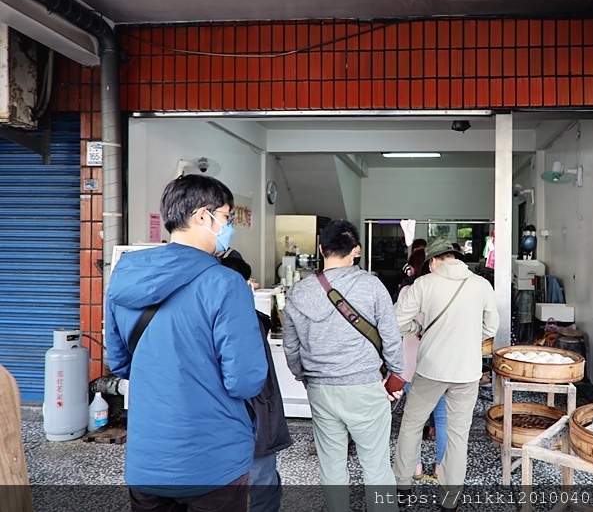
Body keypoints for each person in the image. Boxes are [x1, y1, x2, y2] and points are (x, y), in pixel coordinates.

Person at [106, 174, 267, 512]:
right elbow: (246, 379)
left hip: (147, 458)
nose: (229, 227)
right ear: (202, 216)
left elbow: (121, 363)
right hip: (212, 459)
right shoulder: (225, 284)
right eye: (226, 217)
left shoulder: (123, 277)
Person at [281, 219, 403, 512]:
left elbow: (291, 346)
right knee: (375, 465)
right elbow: (391, 337)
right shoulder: (371, 286)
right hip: (364, 386)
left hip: (321, 389)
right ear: (356, 251)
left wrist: (303, 376)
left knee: (331, 465)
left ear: (321, 249)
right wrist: (395, 375)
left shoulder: (298, 292)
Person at [393, 238, 499, 512]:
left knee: (412, 424)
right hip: (467, 371)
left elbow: (398, 322)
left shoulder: (424, 284)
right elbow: (490, 328)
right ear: (456, 257)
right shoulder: (481, 285)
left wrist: (420, 325)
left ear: (433, 261)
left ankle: (403, 486)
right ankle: (450, 499)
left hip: (431, 370)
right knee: (458, 433)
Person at [220, 254, 292, 512]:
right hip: (254, 415)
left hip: (226, 420)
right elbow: (247, 379)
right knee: (262, 482)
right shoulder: (247, 321)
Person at [397, 247, 447, 481]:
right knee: (443, 418)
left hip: (410, 366)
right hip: (438, 365)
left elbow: (396, 325)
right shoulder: (440, 292)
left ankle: (415, 468)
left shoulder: (407, 291)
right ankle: (441, 468)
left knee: (413, 420)